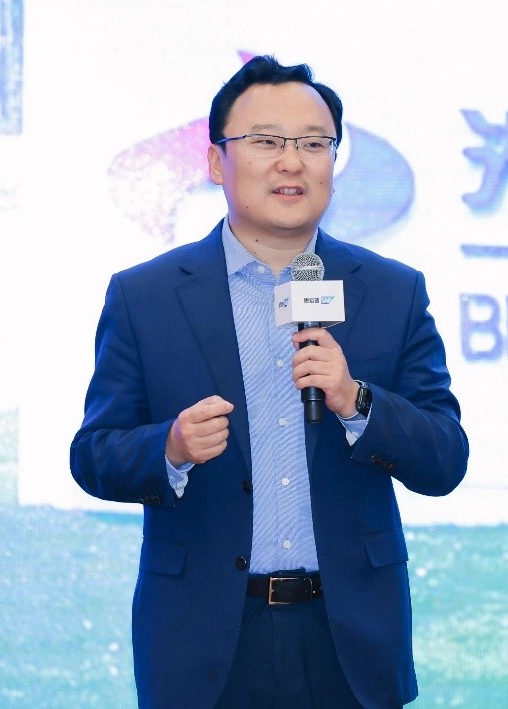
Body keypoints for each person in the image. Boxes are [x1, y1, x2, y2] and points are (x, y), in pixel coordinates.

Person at [70, 55, 469, 708]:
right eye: (266, 142)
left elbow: (445, 458)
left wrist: (357, 402)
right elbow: (93, 454)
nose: (292, 162)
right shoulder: (146, 296)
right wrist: (169, 447)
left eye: (314, 144)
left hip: (349, 642)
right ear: (216, 162)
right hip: (205, 642)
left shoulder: (392, 291)